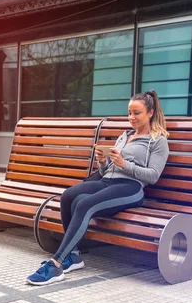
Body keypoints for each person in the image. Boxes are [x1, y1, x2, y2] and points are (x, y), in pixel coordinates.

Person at [27, 90, 170, 285]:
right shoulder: (124, 136)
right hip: (108, 181)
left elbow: (153, 176)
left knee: (84, 204)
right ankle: (74, 256)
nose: (131, 118)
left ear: (150, 113)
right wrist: (103, 162)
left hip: (130, 187)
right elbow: (106, 172)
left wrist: (124, 164)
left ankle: (56, 263)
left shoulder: (158, 141)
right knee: (69, 196)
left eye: (137, 113)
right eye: (129, 113)